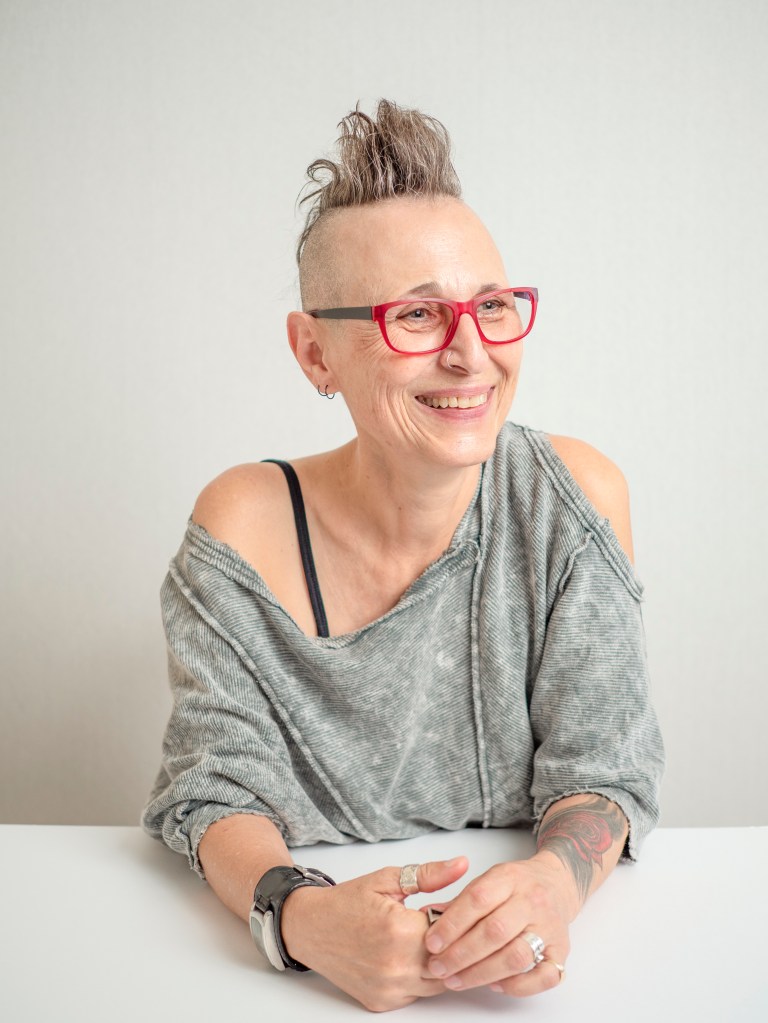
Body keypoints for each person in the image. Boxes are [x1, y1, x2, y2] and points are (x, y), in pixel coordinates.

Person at [142, 99, 664, 1012]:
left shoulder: (572, 500)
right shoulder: (243, 531)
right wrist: (299, 920)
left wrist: (555, 884)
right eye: (418, 315)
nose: (471, 354)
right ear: (316, 352)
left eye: (492, 306)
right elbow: (213, 789)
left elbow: (603, 769)